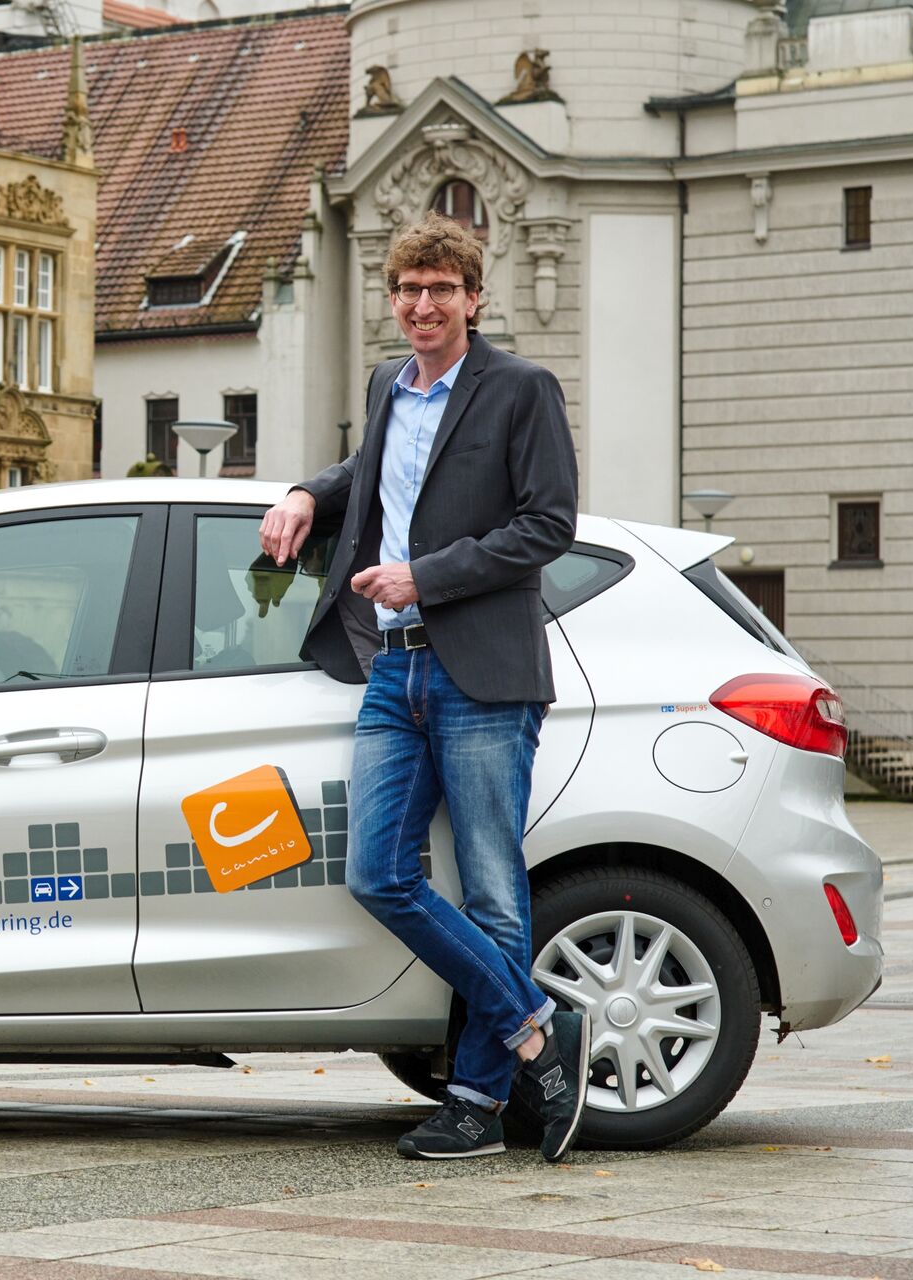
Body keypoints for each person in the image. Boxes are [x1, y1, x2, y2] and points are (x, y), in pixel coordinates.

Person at [259, 211, 586, 1162]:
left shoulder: (522, 389)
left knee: (492, 891)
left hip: (481, 671)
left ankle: (478, 1103)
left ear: (474, 299)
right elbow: (376, 473)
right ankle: (536, 1021)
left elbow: (548, 524)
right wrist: (306, 495)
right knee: (378, 873)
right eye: (408, 289)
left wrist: (424, 576)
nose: (422, 305)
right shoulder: (386, 386)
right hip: (391, 669)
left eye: (442, 289)